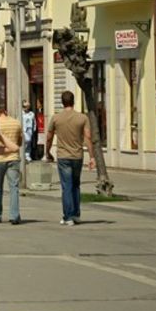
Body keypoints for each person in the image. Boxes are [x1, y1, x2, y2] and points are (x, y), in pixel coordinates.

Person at [46, 90, 95, 225]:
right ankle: (76, 214)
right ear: (73, 101)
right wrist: (92, 157)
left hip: (63, 156)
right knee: (76, 185)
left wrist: (47, 151)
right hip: (77, 155)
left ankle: (67, 216)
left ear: (62, 102)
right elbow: (88, 137)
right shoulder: (82, 118)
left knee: (66, 186)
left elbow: (49, 136)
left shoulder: (56, 118)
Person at [0, 103, 23, 224]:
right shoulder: (16, 122)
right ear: (5, 111)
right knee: (14, 188)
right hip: (13, 158)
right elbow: (20, 141)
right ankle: (14, 215)